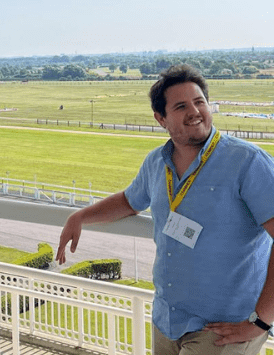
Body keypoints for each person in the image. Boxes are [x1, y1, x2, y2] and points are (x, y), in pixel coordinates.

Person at [56, 64, 274, 355]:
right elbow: (129, 201)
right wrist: (80, 215)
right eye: (181, 106)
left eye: (199, 102)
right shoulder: (156, 162)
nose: (195, 111)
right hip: (168, 320)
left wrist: (261, 322)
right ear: (161, 119)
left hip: (223, 328)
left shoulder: (247, 162)